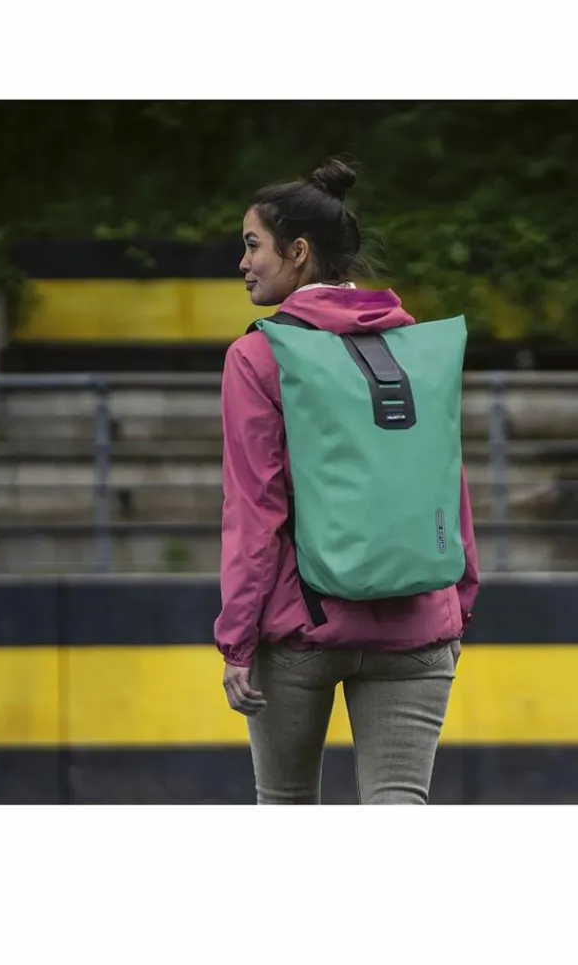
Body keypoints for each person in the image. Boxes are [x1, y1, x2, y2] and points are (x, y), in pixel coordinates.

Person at [213, 156, 480, 805]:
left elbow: (255, 510)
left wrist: (237, 639)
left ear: (298, 252)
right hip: (418, 622)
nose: (243, 262)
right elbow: (447, 483)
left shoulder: (259, 355)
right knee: (399, 804)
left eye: (253, 245)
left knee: (287, 805)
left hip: (299, 627)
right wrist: (457, 608)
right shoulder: (415, 347)